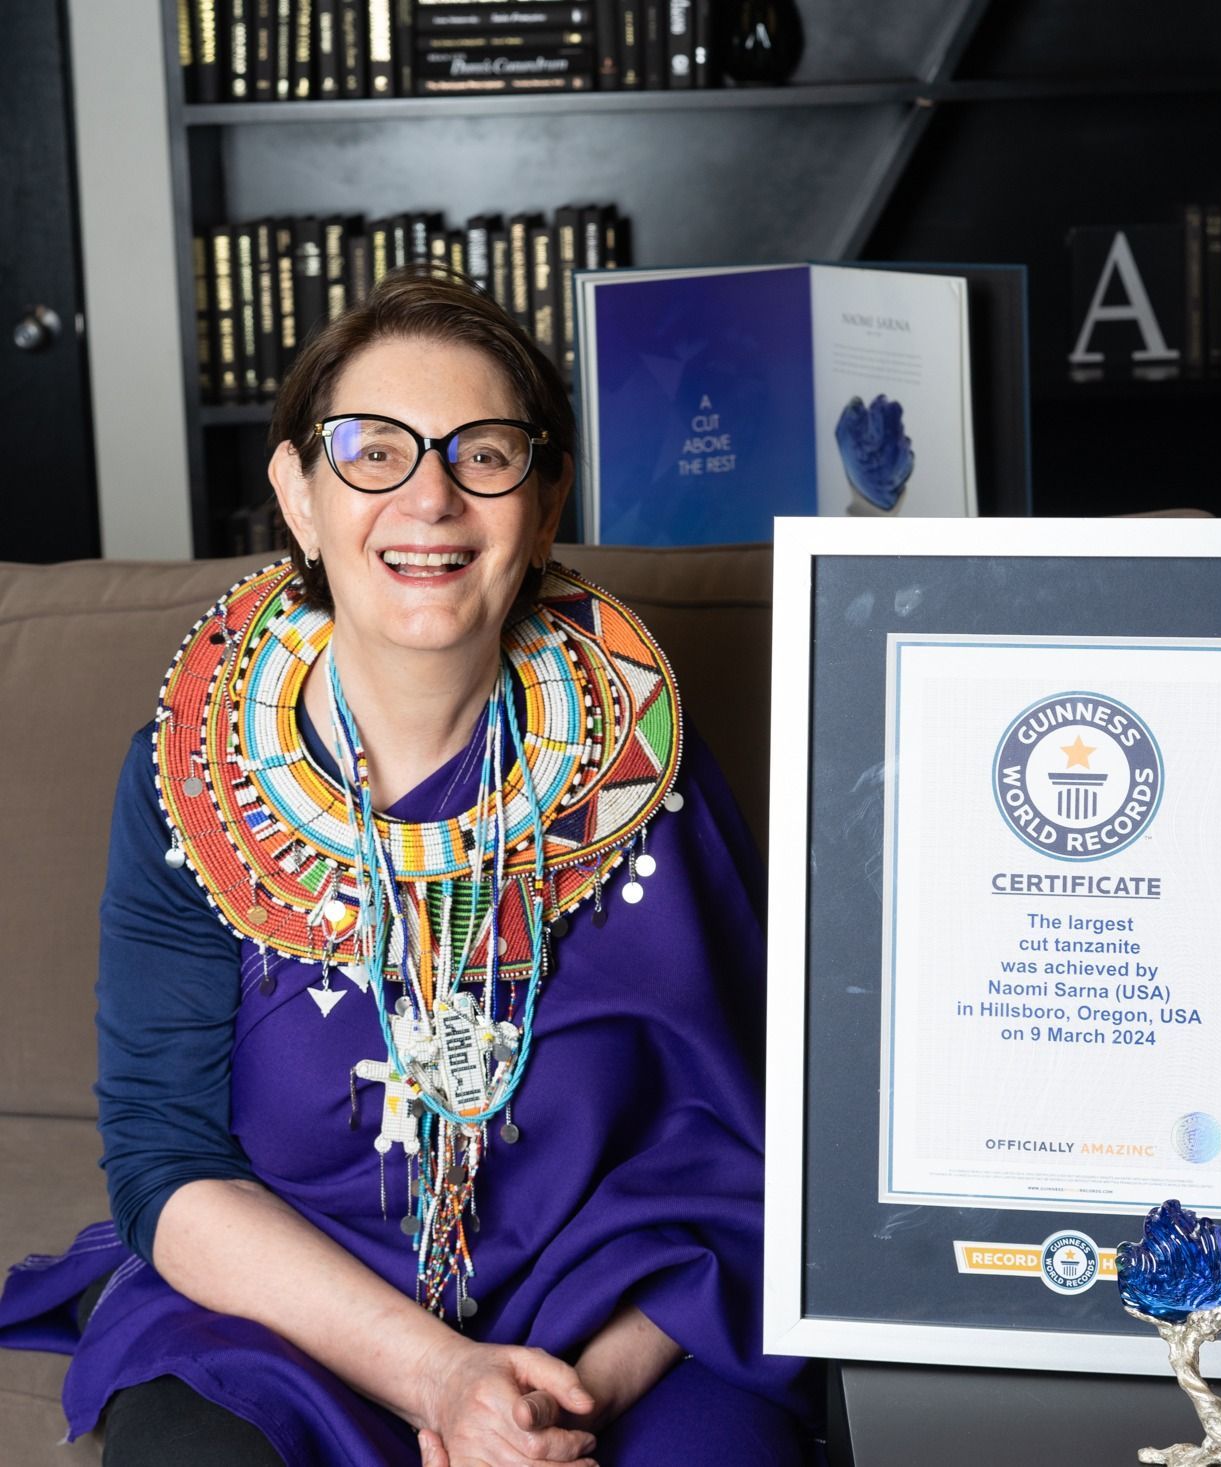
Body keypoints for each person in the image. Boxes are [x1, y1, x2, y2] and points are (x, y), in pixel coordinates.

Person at [0, 272, 816, 1466]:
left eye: (484, 453)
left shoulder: (647, 772)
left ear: (543, 507)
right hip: (286, 1313)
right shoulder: (191, 780)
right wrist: (442, 1378)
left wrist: (553, 1407)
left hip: (610, 1321)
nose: (429, 498)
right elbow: (167, 1165)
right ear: (298, 494)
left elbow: (742, 1161)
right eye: (372, 452)